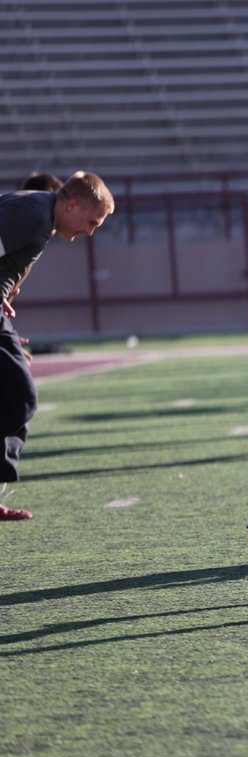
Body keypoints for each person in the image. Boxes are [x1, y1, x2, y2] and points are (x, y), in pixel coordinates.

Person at [1, 172, 115, 520]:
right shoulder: (34, 216)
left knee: (15, 395)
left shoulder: (40, 216)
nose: (91, 231)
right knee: (19, 397)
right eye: (92, 221)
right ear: (69, 204)